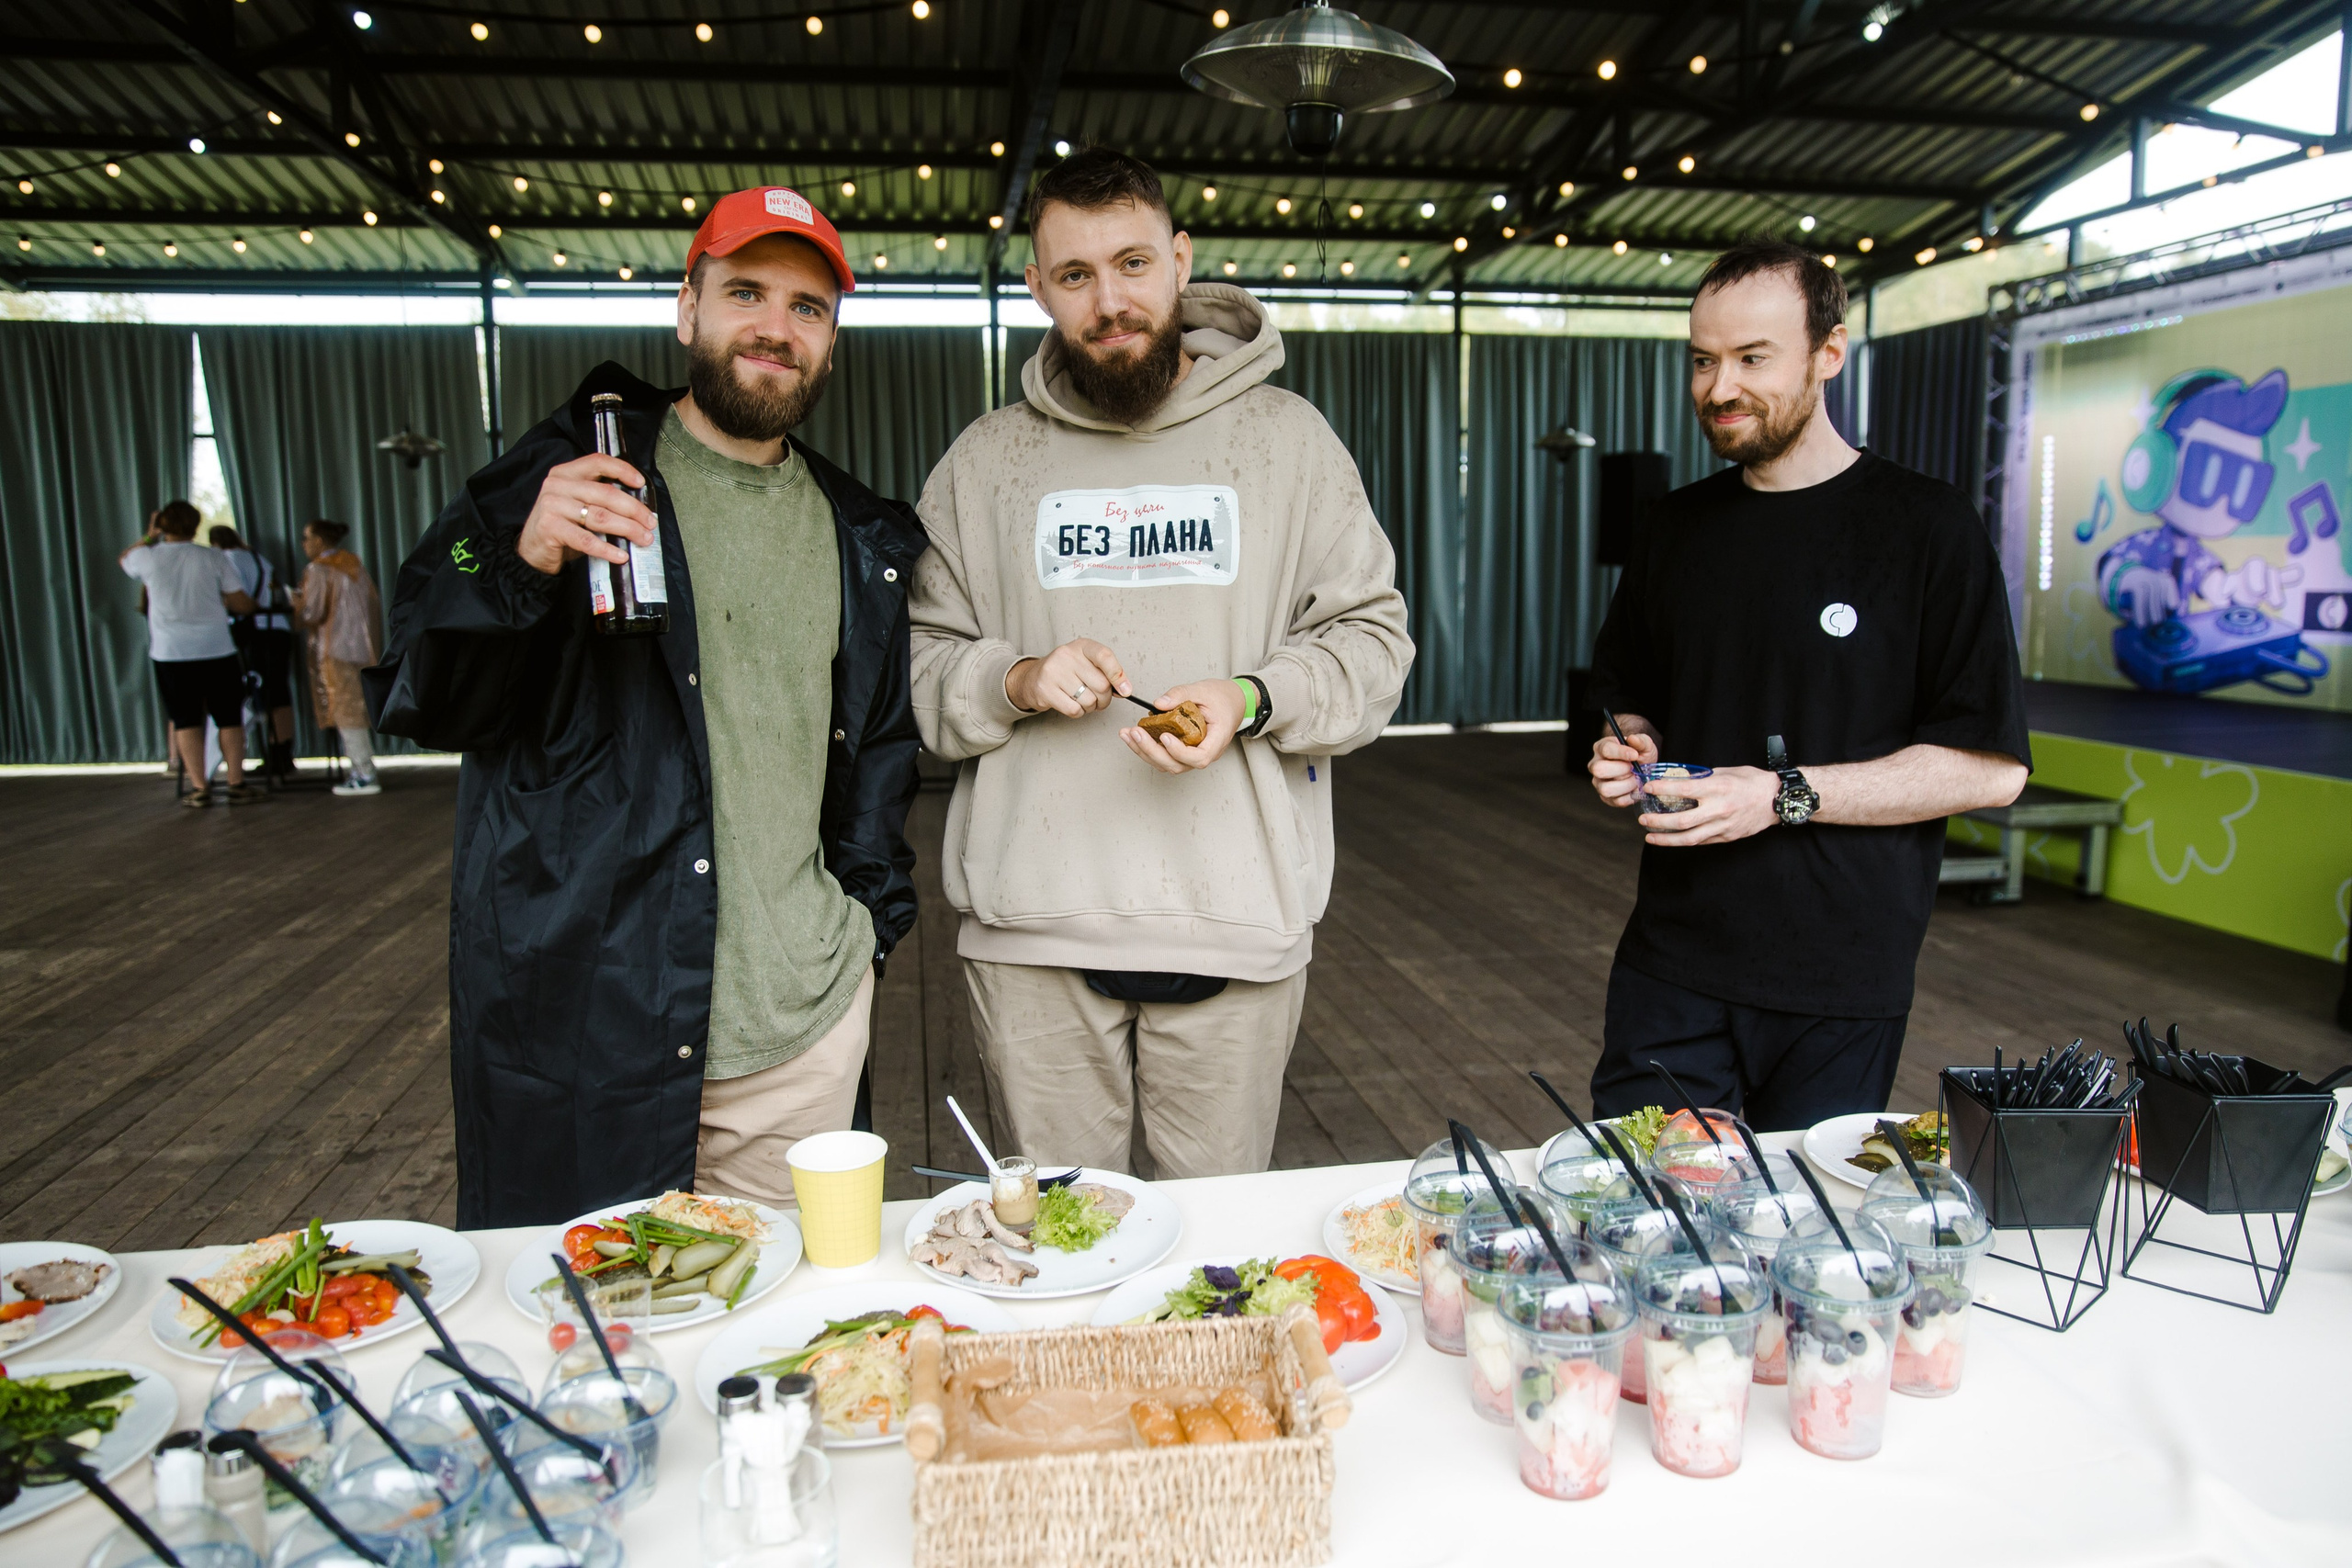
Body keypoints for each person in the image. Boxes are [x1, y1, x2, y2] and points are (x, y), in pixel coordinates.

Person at [370, 186, 925, 1227]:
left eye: (808, 308)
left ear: (831, 340)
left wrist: (867, 932)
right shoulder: (566, 476)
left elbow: (882, 753)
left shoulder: (865, 538)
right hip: (590, 1027)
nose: (776, 326)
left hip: (800, 1028)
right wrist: (521, 563)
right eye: (746, 292)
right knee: (597, 1348)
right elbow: (428, 696)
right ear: (688, 310)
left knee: (790, 1347)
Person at [909, 148, 1414, 1179]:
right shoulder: (983, 461)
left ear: (1180, 261)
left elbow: (1373, 646)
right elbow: (915, 664)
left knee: (1215, 1259)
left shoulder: (1288, 442)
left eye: (1133, 264)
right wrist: (1014, 679)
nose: (1111, 301)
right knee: (1058, 1245)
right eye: (1076, 276)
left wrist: (1249, 696)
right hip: (1030, 929)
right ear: (1037, 286)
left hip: (1235, 921)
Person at [1584, 238, 2031, 1131]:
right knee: (1639, 1205)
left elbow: (1991, 770)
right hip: (1671, 957)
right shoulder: (1674, 527)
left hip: (1841, 974)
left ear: (1828, 354)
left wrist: (1779, 794)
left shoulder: (1926, 529)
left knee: (1800, 1234)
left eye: (1753, 358)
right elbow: (1631, 691)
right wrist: (1626, 743)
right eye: (1703, 361)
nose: (1719, 388)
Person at [119, 501, 261, 807]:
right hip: (217, 649)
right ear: (196, 526)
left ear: (162, 527)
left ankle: (199, 788)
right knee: (229, 718)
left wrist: (148, 536)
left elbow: (125, 558)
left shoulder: (147, 557)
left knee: (185, 721)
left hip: (171, 653)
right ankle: (236, 782)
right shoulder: (213, 558)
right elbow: (241, 603)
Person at [288, 520, 385, 798]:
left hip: (335, 649)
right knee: (355, 709)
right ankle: (361, 769)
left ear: (319, 540)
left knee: (347, 712)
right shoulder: (354, 565)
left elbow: (312, 612)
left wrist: (296, 605)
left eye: (306, 538)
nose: (304, 544)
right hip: (362, 649)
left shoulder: (319, 569)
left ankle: (364, 773)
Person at [210, 525, 299, 779]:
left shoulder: (228, 560)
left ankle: (273, 753)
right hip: (278, 628)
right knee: (279, 693)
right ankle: (282, 752)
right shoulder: (258, 558)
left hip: (258, 631)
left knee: (265, 693)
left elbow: (239, 599)